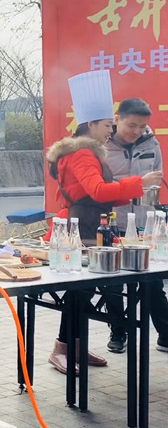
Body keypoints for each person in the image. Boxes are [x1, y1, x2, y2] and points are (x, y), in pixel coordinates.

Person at [45, 70, 162, 374]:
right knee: (78, 290)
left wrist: (135, 190)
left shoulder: (87, 150)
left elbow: (101, 196)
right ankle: (63, 348)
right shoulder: (83, 153)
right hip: (81, 229)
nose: (110, 130)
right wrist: (139, 182)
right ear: (92, 124)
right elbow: (97, 191)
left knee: (83, 290)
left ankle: (76, 346)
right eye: (108, 125)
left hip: (88, 226)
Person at [103, 98, 168, 353]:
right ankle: (119, 332)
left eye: (142, 127)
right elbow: (102, 186)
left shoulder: (152, 144)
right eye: (132, 125)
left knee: (151, 282)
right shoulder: (102, 146)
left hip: (144, 225)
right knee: (113, 283)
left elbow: (157, 178)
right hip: (113, 222)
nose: (137, 132)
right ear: (117, 119)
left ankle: (165, 334)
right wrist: (135, 182)